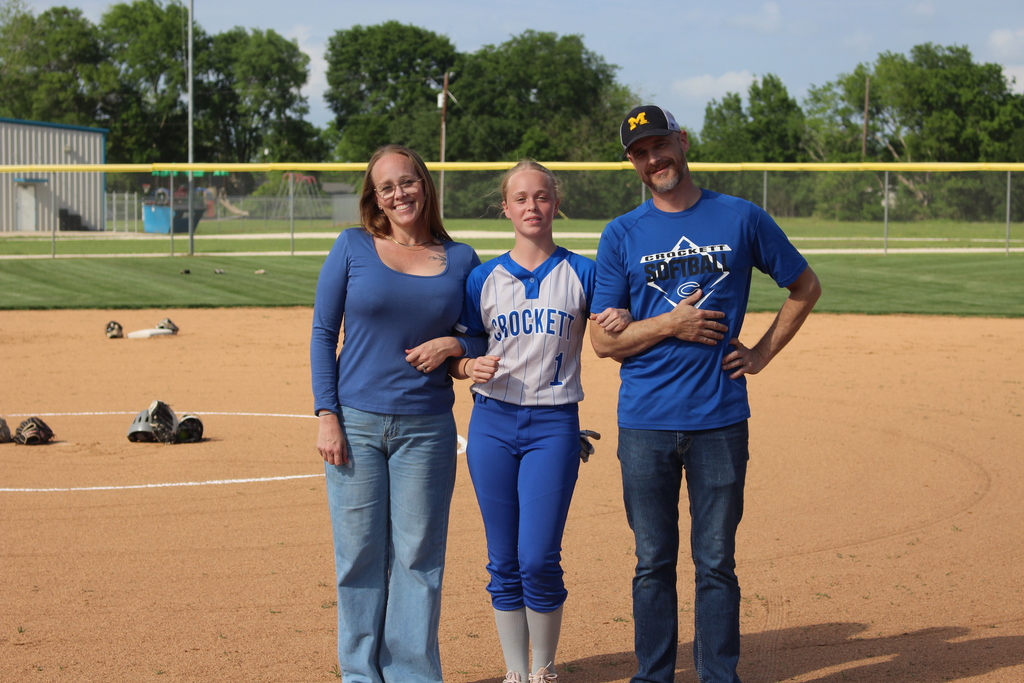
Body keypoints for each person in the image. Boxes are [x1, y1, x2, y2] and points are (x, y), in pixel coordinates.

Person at [589, 106, 822, 683]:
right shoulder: (621, 233)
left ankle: (719, 675)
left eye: (660, 144)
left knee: (716, 562)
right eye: (640, 152)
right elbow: (600, 341)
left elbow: (804, 285)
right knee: (652, 563)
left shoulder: (740, 218)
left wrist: (762, 353)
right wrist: (672, 324)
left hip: (719, 417)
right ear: (632, 162)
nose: (653, 158)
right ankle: (654, 676)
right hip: (644, 420)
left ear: (682, 143)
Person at [450, 161, 632, 683]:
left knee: (537, 558)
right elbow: (468, 341)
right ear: (505, 208)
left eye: (542, 196)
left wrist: (620, 317)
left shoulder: (585, 271)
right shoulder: (483, 277)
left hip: (554, 426)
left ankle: (544, 670)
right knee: (502, 558)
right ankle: (515, 673)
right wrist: (465, 360)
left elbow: (614, 327)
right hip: (491, 422)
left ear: (557, 203)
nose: (532, 207)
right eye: (521, 198)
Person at [310, 144, 486, 683]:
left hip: (426, 428)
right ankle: (361, 674)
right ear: (376, 198)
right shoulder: (352, 247)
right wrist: (326, 413)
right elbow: (322, 332)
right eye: (387, 187)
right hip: (357, 422)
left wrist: (451, 348)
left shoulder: (460, 259)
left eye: (406, 182)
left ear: (424, 186)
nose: (399, 194)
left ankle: (412, 673)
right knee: (359, 558)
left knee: (418, 559)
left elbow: (477, 334)